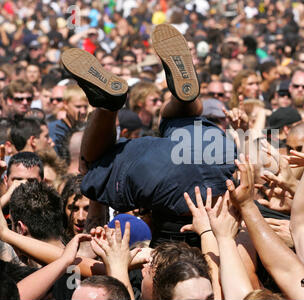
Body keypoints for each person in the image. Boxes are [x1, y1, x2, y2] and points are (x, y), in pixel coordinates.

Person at [62, 24, 236, 249]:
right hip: (179, 177)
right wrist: (94, 182)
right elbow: (88, 254)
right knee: (92, 166)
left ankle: (181, 101)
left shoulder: (230, 248)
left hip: (214, 161)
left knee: (182, 118)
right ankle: (109, 106)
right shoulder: (224, 253)